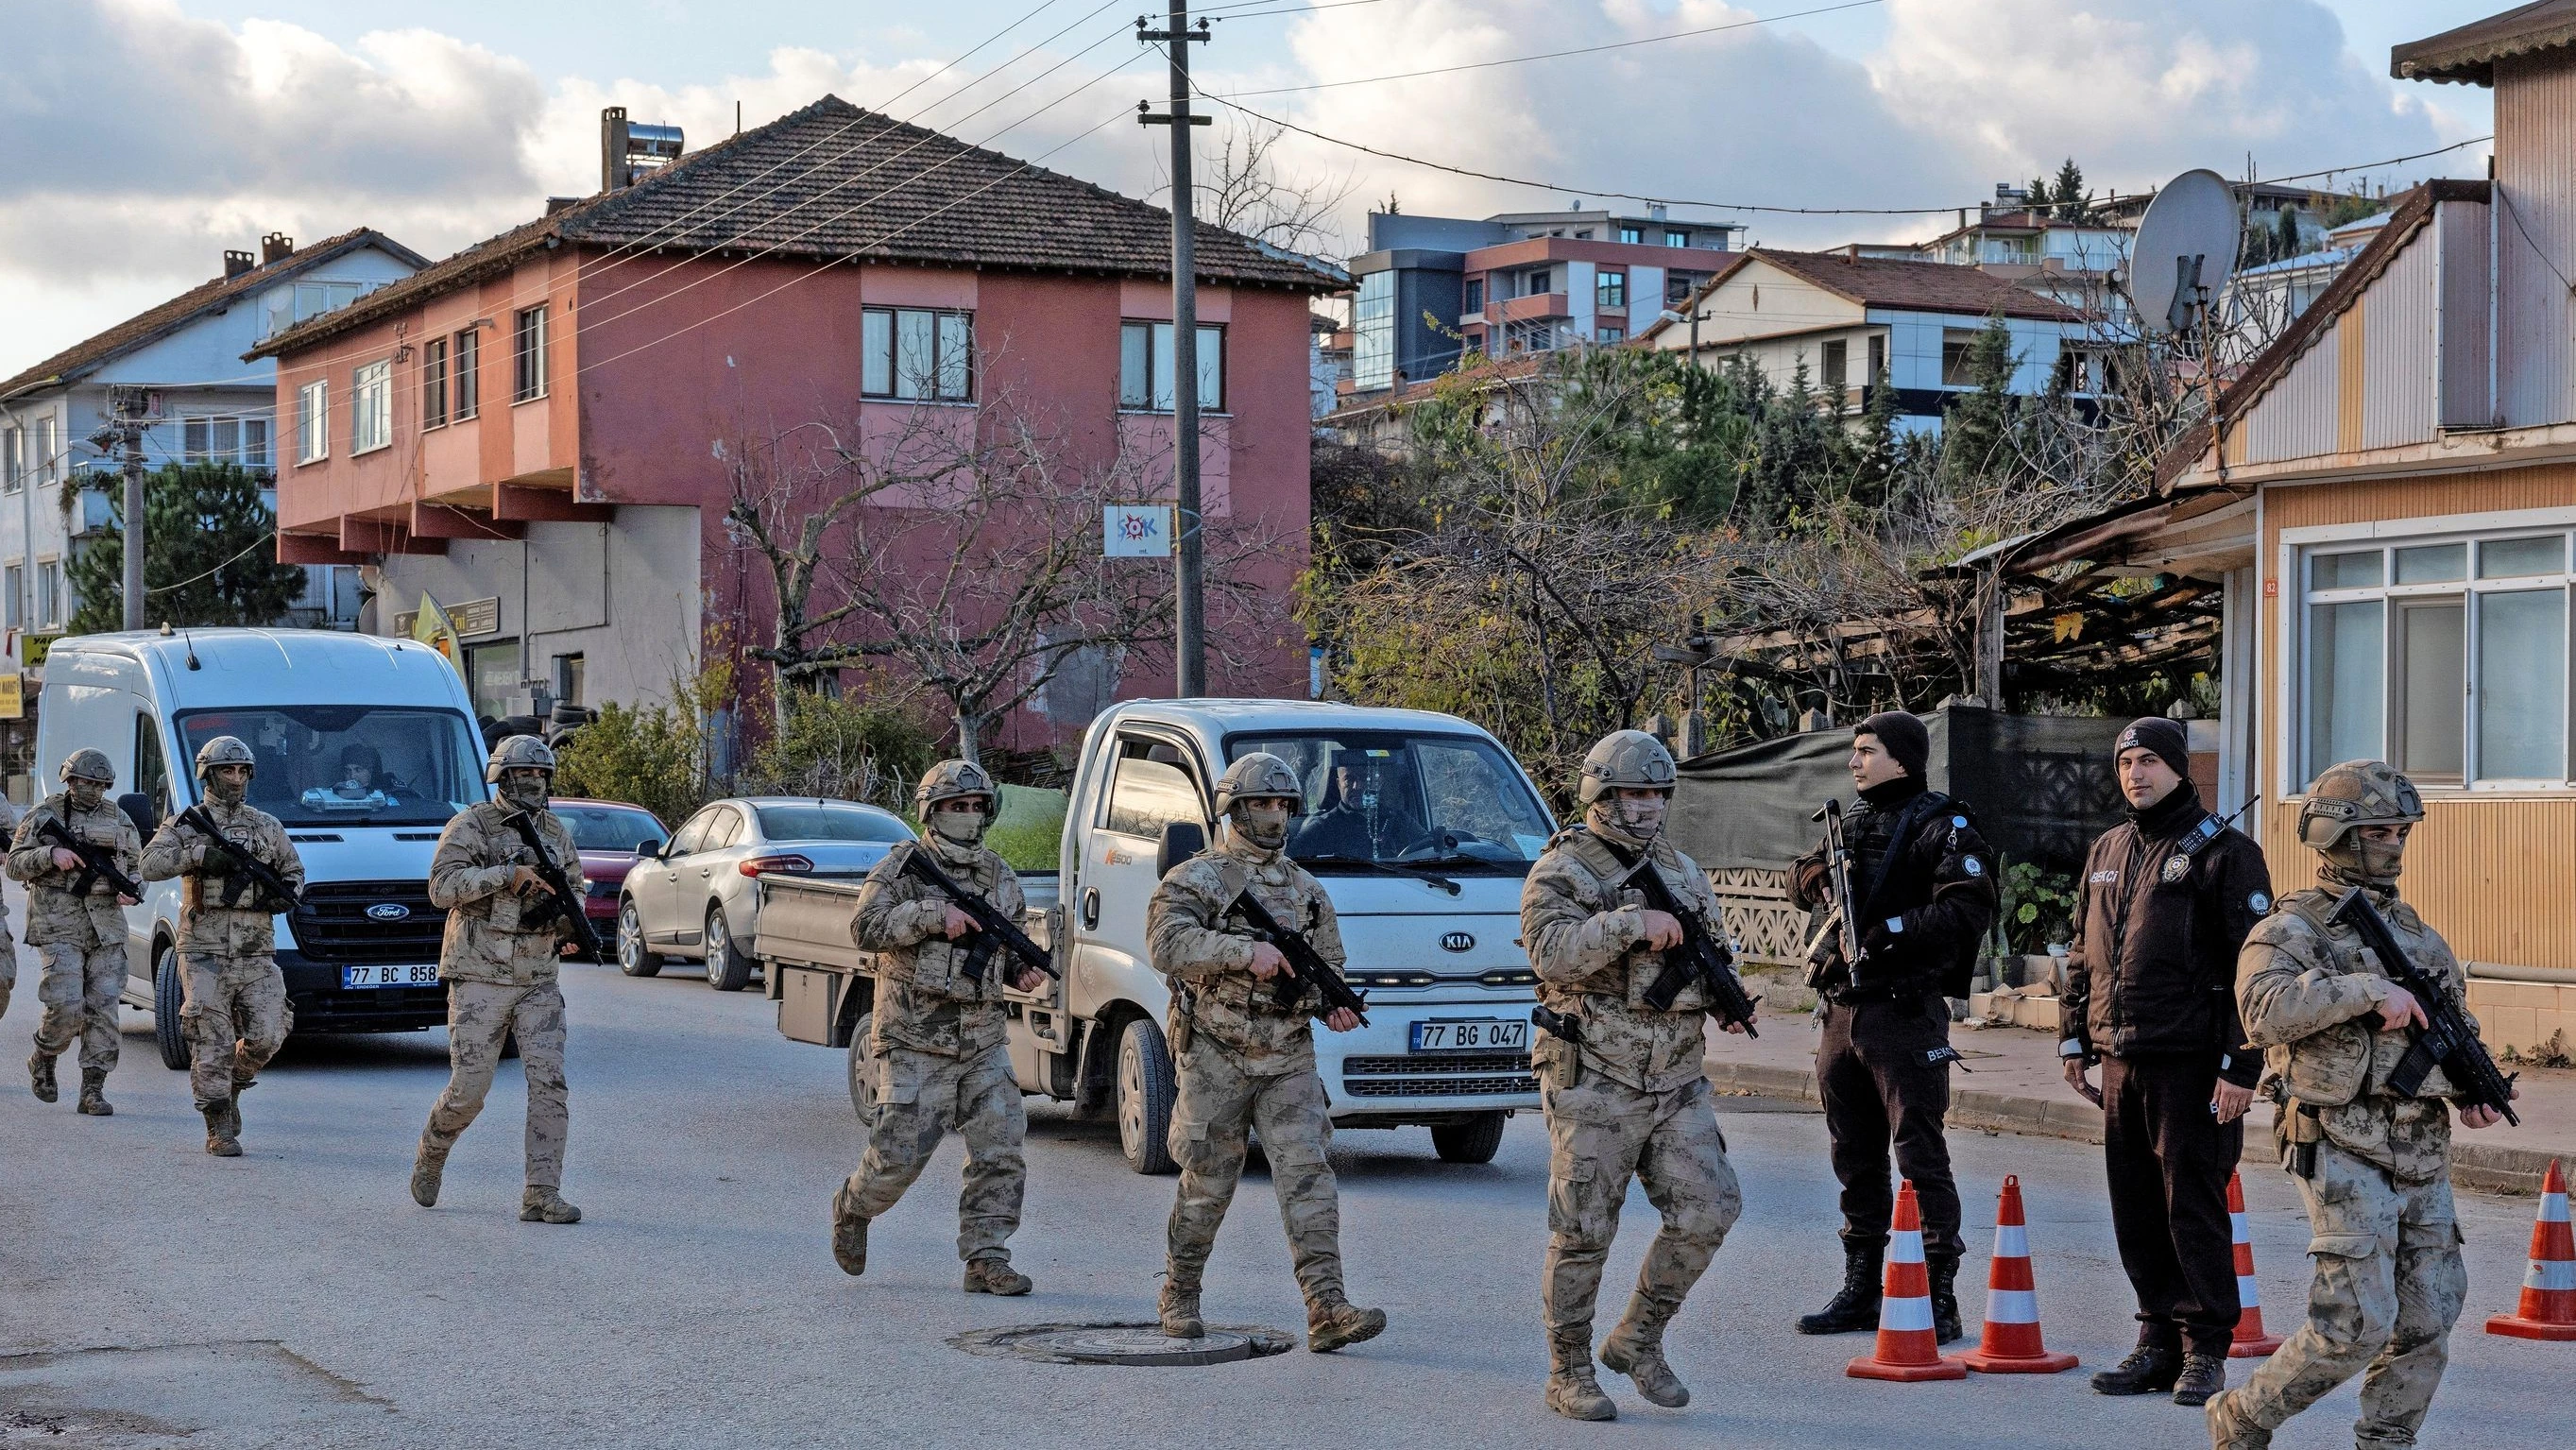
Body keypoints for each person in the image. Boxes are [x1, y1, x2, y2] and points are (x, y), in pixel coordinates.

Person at [2205, 761, 2515, 1450]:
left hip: (2419, 1146)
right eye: (2378, 829)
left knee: (2429, 1316)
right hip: (2337, 1139)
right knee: (2353, 1323)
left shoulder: (2418, 935)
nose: (2394, 843)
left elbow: (2448, 1027)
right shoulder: (2288, 928)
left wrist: (2472, 1089)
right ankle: (2243, 1415)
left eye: (2400, 830)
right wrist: (2364, 992)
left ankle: (2386, 1440)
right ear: (2336, 833)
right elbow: (2260, 1011)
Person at [1520, 728, 1749, 1422]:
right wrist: (1628, 923)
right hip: (1596, 1073)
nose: (1646, 806)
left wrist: (1725, 995)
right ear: (1601, 793)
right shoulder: (1564, 870)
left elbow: (1708, 945)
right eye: (1631, 793)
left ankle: (1638, 1338)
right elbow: (1551, 953)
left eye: (1656, 793)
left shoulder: (1680, 867)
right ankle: (1567, 1369)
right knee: (1584, 1227)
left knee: (1710, 1206)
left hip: (1675, 1075)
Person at [2060, 718, 2271, 1406]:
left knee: (2192, 1207)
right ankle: (2154, 1339)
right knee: (2137, 1208)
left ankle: (2205, 1347)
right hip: (2121, 1058)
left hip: (2192, 1064)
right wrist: (2073, 1037)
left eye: (2148, 760)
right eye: (2125, 762)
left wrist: (2241, 1068)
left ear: (2179, 768)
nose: (2134, 773)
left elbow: (2253, 971)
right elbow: (2080, 952)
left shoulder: (2225, 853)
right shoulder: (2106, 848)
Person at [1149, 752, 1385, 1355]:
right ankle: (1179, 1293)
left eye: (1283, 805)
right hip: (1216, 1053)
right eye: (1261, 803)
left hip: (1287, 1056)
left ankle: (1326, 1306)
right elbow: (1167, 943)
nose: (1275, 816)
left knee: (1310, 1177)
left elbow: (1328, 965)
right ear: (1233, 808)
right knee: (1208, 1178)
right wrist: (1240, 953)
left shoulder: (1307, 891)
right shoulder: (1197, 879)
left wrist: (1327, 1004)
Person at [1788, 711, 1996, 1342]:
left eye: (1865, 750)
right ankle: (1860, 1286)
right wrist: (1812, 879)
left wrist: (1888, 933)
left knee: (1918, 1154)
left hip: (1904, 1011)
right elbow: (1799, 878)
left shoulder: (1942, 823)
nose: (1854, 762)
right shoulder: (1847, 821)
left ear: (1901, 757)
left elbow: (1967, 906)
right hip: (1843, 1010)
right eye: (1852, 751)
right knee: (1853, 1157)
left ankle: (1938, 1293)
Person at [829, 759, 1044, 1295]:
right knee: (899, 1156)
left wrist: (1024, 970)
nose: (968, 817)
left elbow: (1009, 942)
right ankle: (854, 1206)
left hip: (982, 1037)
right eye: (956, 807)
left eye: (976, 808)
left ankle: (987, 1257)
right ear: (932, 812)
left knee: (1001, 1148)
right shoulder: (904, 867)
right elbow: (864, 927)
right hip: (915, 1036)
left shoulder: (999, 876)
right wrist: (930, 916)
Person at [410, 735, 588, 1224]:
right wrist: (504, 875)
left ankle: (541, 1194)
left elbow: (574, 889)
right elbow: (441, 888)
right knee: (470, 1088)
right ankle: (432, 1150)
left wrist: (568, 927)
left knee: (550, 1083)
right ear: (502, 778)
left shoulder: (555, 831)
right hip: (478, 975)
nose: (534, 783)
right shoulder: (472, 825)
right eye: (524, 774)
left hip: (537, 977)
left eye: (541, 775)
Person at [140, 736, 306, 1155]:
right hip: (203, 952)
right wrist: (197, 855)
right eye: (226, 771)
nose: (235, 779)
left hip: (256, 950)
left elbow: (294, 872)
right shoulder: (187, 823)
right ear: (208, 775)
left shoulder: (267, 825)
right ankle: (218, 1125)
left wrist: (282, 895)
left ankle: (233, 1084)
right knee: (209, 1037)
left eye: (242, 771)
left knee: (270, 1033)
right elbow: (149, 864)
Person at [8, 749, 143, 1116]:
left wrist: (132, 884)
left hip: (107, 928)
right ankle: (44, 1057)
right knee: (66, 1006)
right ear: (70, 781)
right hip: (58, 924)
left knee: (104, 1011)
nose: (94, 790)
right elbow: (15, 864)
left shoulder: (120, 818)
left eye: (101, 785)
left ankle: (93, 1089)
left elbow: (135, 863)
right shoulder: (44, 814)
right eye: (87, 782)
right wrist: (49, 856)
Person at [1292, 750, 1419, 861]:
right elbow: (1288, 864)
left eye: (1365, 778)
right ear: (1338, 784)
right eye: (1348, 779)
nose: (1357, 786)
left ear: (1379, 783)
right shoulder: (1321, 828)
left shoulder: (1401, 821)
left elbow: (1429, 850)